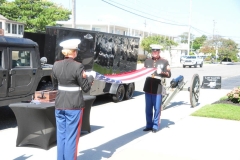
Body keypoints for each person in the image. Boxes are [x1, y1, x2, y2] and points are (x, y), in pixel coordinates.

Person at [52, 39, 94, 160]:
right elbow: (85, 88)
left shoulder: (56, 64)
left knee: (61, 136)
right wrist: (90, 77)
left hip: (60, 103)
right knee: (71, 137)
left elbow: (55, 83)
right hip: (74, 105)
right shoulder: (78, 66)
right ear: (74, 52)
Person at [143, 44, 171, 133]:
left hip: (157, 88)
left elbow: (169, 74)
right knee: (148, 109)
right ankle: (148, 125)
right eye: (153, 51)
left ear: (159, 52)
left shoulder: (164, 62)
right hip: (148, 87)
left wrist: (162, 72)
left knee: (157, 108)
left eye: (156, 51)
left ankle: (155, 125)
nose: (154, 53)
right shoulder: (147, 61)